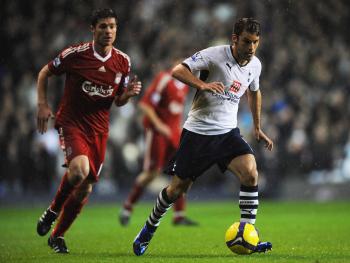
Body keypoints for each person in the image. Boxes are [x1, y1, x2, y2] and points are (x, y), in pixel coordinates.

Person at [132, 18, 274, 256]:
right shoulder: (214, 55)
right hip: (198, 134)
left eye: (256, 42)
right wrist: (202, 85)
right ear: (235, 39)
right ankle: (149, 227)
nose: (251, 47)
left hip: (228, 133)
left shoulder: (255, 65)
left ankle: (249, 233)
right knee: (176, 190)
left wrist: (257, 127)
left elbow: (254, 92)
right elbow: (178, 70)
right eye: (247, 42)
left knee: (250, 172)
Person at [35, 8, 142, 253]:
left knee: (85, 189)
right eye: (103, 26)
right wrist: (42, 104)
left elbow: (117, 101)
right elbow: (44, 73)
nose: (108, 31)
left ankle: (57, 236)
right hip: (72, 122)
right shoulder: (75, 55)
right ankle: (52, 211)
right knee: (79, 171)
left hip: (99, 130)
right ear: (92, 29)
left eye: (112, 26)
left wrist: (127, 95)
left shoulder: (123, 61)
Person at [119, 64, 198, 226]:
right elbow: (145, 105)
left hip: (174, 135)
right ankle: (128, 206)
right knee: (152, 173)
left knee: (182, 171)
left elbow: (175, 111)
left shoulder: (185, 84)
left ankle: (179, 216)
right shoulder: (164, 78)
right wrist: (160, 126)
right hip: (157, 134)